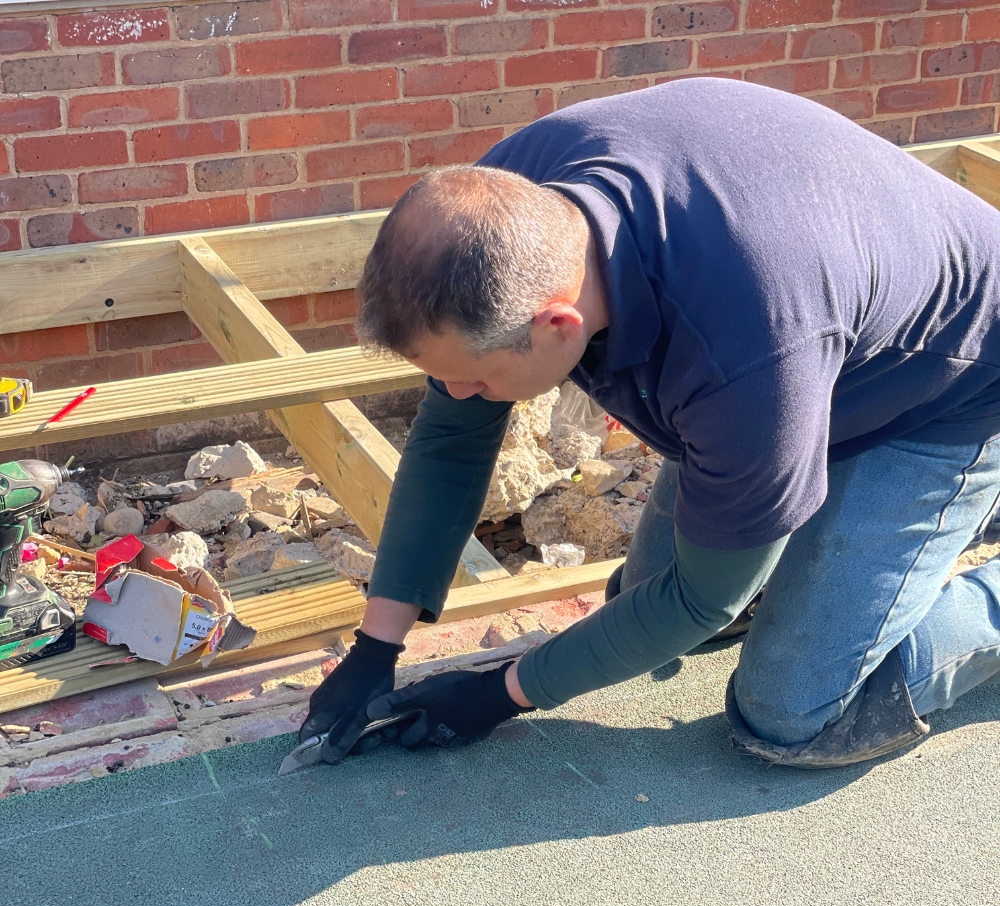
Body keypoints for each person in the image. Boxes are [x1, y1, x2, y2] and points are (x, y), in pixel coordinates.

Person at [299, 78, 1000, 769]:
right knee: (643, 613)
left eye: (474, 378)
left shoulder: (743, 350)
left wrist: (499, 695)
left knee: (789, 714)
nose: (457, 392)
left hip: (951, 387)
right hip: (820, 340)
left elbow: (701, 600)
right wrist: (375, 648)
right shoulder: (500, 213)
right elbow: (452, 440)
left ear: (558, 325)